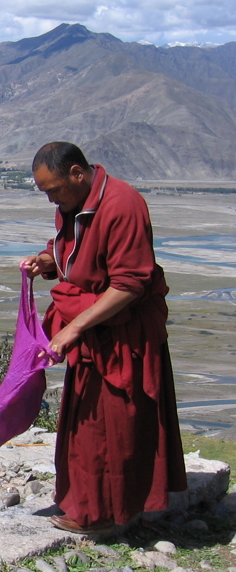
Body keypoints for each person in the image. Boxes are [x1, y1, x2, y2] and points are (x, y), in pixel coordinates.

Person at [20, 141, 186, 534]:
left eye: (54, 190)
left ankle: (104, 511)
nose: (52, 200)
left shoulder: (123, 205)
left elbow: (129, 284)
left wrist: (74, 329)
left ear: (78, 173)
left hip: (120, 333)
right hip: (96, 330)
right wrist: (48, 260)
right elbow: (74, 249)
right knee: (86, 423)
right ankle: (90, 501)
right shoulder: (75, 202)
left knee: (112, 424)